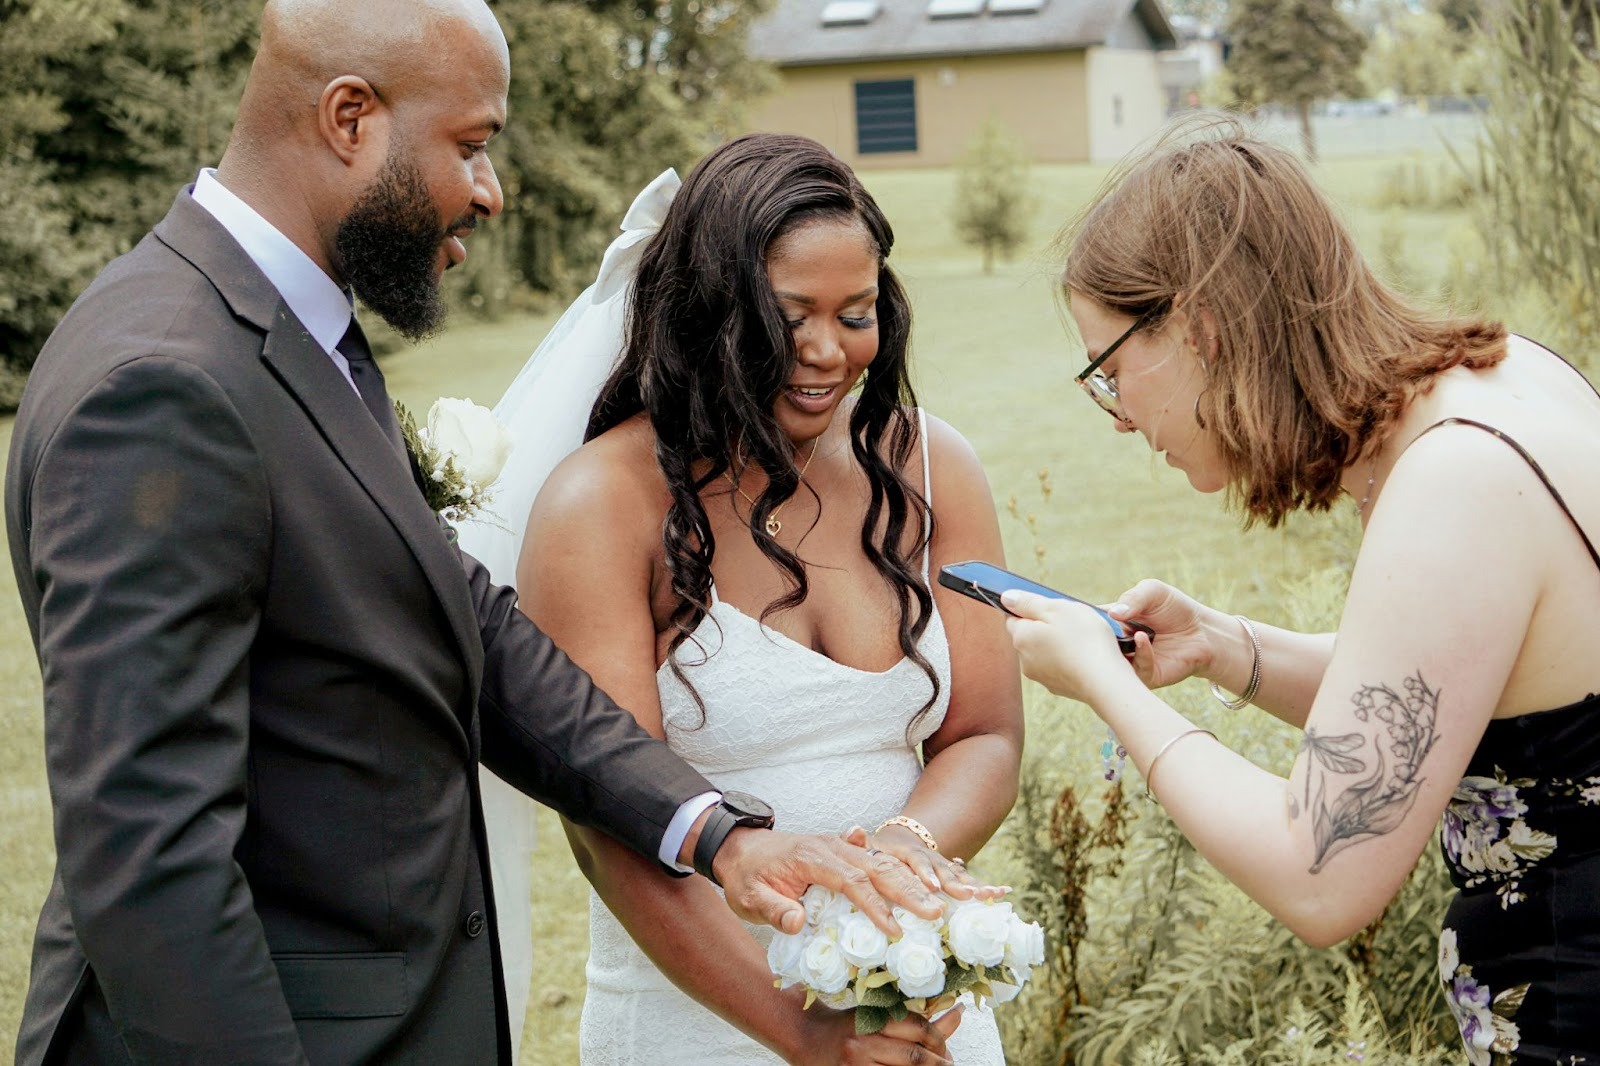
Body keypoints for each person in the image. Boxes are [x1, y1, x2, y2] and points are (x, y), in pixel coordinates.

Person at [2, 4, 953, 1063]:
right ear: (350, 118)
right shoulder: (162, 384)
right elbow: (148, 856)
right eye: (470, 145)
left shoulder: (293, 334)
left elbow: (472, 630)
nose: (490, 191)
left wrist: (720, 836)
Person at [1002, 116, 1600, 1063]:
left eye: (1109, 372)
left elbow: (1320, 877)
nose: (1116, 417)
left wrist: (1106, 687)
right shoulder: (1504, 381)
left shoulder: (1454, 479)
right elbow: (1440, 692)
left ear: (1199, 328)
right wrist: (1221, 647)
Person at [480, 133, 1025, 1064]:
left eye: (857, 314)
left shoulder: (930, 467)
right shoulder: (602, 505)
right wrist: (803, 1035)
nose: (826, 352)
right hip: (705, 1018)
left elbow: (985, 735)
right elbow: (607, 825)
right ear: (710, 311)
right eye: (788, 317)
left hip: (912, 1004)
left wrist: (902, 850)